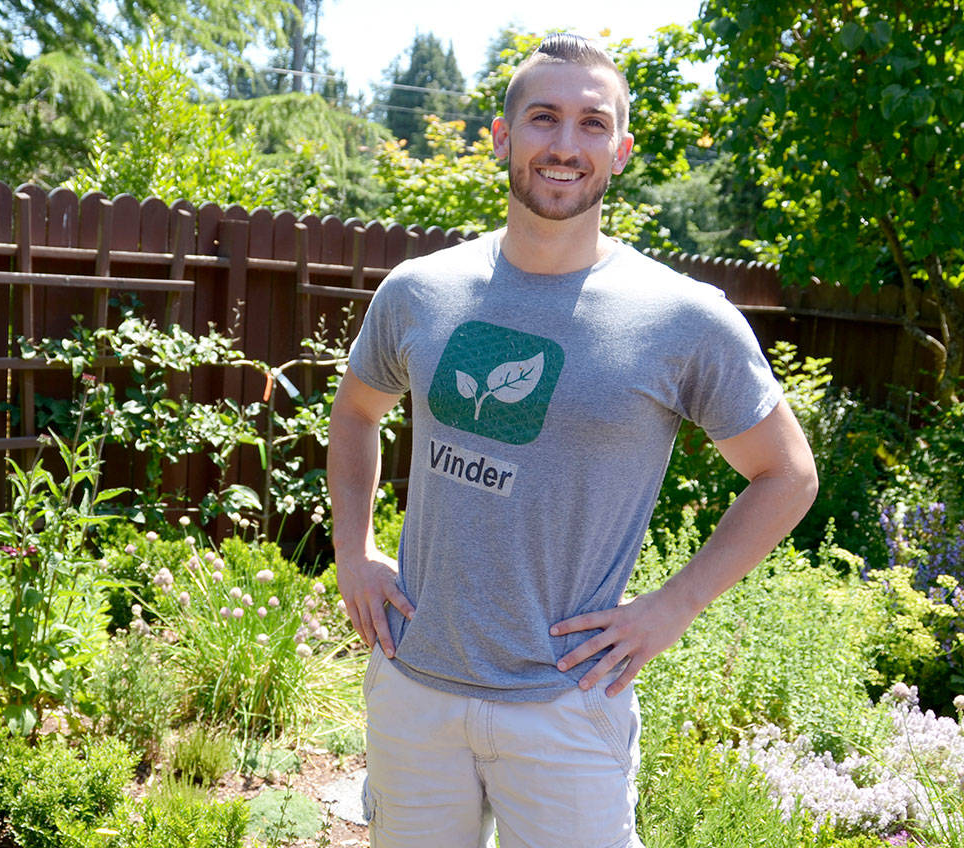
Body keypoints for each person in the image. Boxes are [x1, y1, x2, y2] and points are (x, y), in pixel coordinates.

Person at [326, 33, 818, 848]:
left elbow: (787, 475)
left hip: (566, 708)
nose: (564, 145)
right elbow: (356, 412)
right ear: (501, 136)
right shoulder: (421, 292)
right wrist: (355, 548)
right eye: (543, 118)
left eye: (592, 124)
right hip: (414, 688)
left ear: (621, 151)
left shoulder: (682, 318)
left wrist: (672, 608)